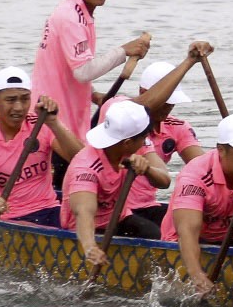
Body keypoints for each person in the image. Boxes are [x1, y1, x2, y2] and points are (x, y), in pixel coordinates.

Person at [31, 0, 151, 141]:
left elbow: (70, 67)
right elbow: (83, 72)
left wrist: (93, 95)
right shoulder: (71, 17)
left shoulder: (77, 11)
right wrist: (124, 51)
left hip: (59, 113)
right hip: (52, 118)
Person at [161, 113, 233, 297]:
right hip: (184, 243)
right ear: (221, 150)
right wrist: (197, 275)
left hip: (231, 234)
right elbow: (187, 232)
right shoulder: (195, 176)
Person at [102, 45, 214, 228]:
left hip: (147, 206)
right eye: (165, 101)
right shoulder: (118, 112)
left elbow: (204, 167)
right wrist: (189, 61)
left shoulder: (177, 128)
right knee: (158, 233)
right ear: (143, 93)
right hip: (113, 208)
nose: (169, 107)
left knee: (203, 226)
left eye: (172, 103)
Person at [0, 67, 84, 226]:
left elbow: (81, 160)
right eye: (10, 100)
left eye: (25, 99)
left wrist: (54, 123)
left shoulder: (41, 124)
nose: (19, 107)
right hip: (6, 217)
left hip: (50, 210)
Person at [62, 99, 170, 267]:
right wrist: (90, 246)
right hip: (86, 229)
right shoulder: (87, 167)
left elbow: (164, 182)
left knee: (154, 233)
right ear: (128, 143)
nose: (146, 142)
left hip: (118, 219)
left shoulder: (122, 149)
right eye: (144, 138)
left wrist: (147, 169)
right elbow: (83, 212)